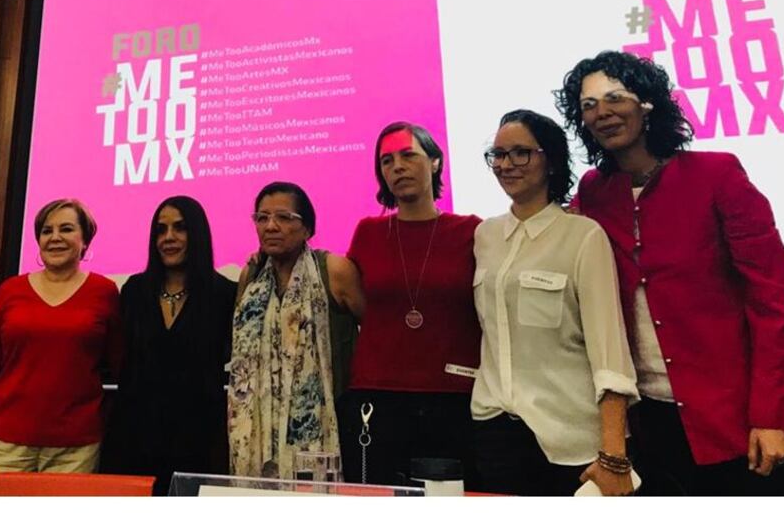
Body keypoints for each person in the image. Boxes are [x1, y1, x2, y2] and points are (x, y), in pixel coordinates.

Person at [555, 50, 784, 495]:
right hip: (646, 425)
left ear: (648, 105)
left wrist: (773, 416)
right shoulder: (594, 191)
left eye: (615, 97)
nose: (602, 113)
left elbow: (773, 298)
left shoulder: (717, 173)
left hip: (733, 421)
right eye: (589, 105)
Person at [472, 109, 639, 496]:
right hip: (494, 429)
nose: (506, 164)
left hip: (570, 440)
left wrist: (614, 452)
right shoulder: (485, 236)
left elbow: (609, 351)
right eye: (497, 155)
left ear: (550, 160)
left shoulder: (582, 235)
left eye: (520, 153)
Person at [337, 122, 481, 487]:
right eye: (386, 161)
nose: (397, 167)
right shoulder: (368, 232)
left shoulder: (471, 231)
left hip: (452, 398)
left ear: (434, 162)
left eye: (408, 155)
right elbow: (358, 306)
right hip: (376, 398)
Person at [0, 198, 122, 495]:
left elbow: (118, 362)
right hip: (5, 443)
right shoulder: (10, 290)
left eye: (66, 229)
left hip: (76, 448)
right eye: (47, 231)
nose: (55, 237)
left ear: (85, 240)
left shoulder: (105, 292)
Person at [100, 196, 237, 495]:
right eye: (161, 230)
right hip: (133, 440)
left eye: (180, 228)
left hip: (197, 444)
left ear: (197, 234)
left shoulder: (225, 295)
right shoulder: (134, 291)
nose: (169, 238)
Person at [228, 181, 364, 480]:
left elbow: (374, 331)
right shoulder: (250, 277)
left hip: (328, 420)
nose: (271, 226)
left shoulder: (335, 271)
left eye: (284, 217)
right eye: (262, 218)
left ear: (307, 229)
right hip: (256, 427)